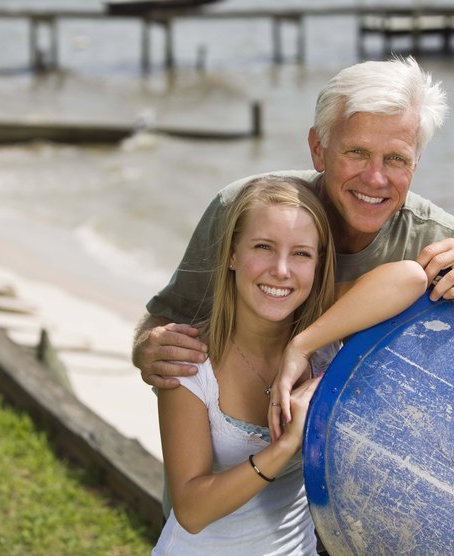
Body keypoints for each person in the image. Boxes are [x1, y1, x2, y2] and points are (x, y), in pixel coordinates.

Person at [132, 56, 454, 439]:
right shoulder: (243, 211)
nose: (375, 178)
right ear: (318, 148)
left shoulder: (438, 243)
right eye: (357, 152)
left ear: (416, 164)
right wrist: (146, 350)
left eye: (396, 159)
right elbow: (168, 318)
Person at [151, 175, 427, 556]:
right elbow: (192, 510)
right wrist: (287, 444)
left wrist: (300, 347)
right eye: (263, 247)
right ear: (232, 254)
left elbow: (410, 278)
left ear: (317, 265)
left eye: (301, 254)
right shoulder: (190, 361)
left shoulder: (322, 338)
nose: (281, 270)